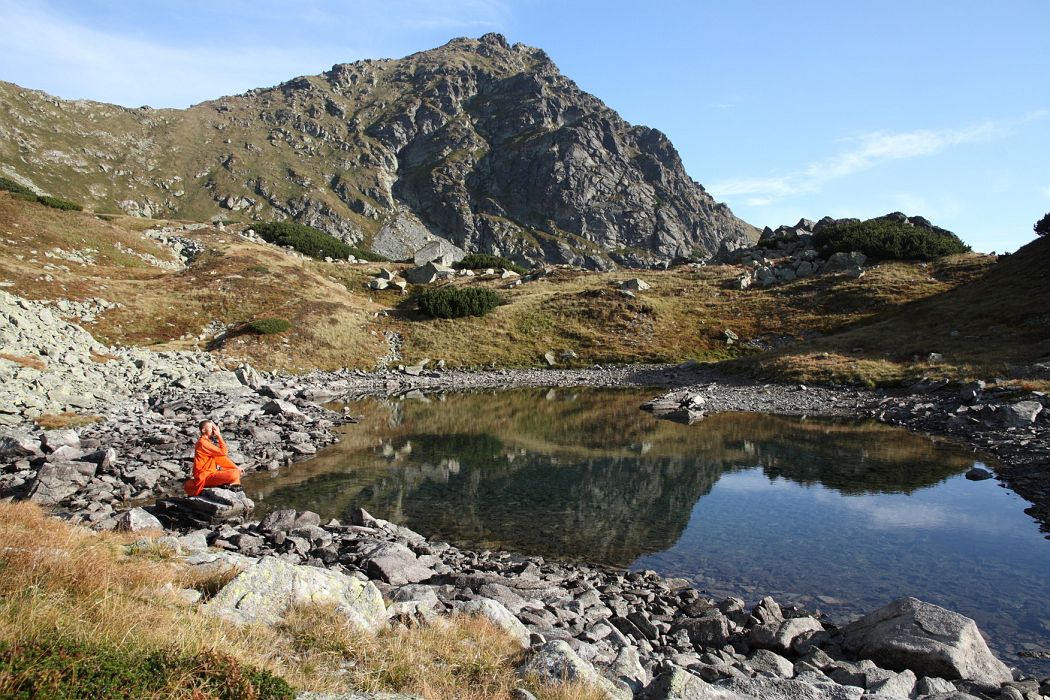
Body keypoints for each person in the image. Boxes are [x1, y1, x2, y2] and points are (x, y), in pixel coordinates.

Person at [184, 419, 243, 496]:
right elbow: (223, 452)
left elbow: (221, 459)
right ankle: (228, 484)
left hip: (211, 474)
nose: (213, 430)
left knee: (235, 470)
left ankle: (226, 484)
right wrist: (219, 436)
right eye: (211, 428)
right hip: (204, 476)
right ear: (203, 430)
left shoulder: (206, 442)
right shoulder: (202, 443)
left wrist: (236, 467)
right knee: (234, 474)